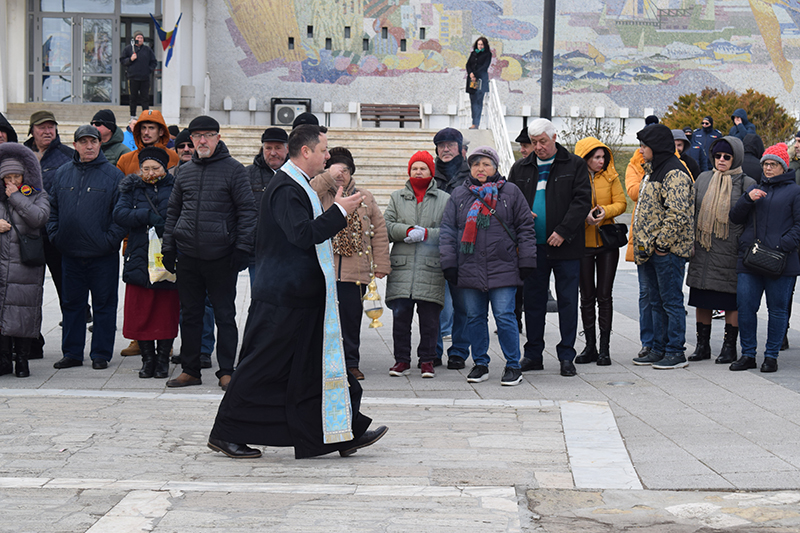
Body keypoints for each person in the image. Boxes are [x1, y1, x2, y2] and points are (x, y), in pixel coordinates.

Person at [208, 124, 388, 459]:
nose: (327, 155)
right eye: (323, 150)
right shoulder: (286, 188)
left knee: (318, 368)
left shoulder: (297, 184)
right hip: (281, 298)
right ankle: (225, 432)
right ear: (306, 151)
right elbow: (302, 235)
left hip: (300, 295)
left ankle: (344, 432)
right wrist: (340, 212)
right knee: (259, 366)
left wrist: (337, 210)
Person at [161, 116, 256, 390]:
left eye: (208, 135)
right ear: (190, 139)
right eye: (197, 135)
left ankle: (227, 370)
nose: (202, 140)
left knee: (225, 315)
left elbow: (247, 212)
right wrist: (169, 247)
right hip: (189, 255)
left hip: (222, 256)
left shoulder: (235, 170)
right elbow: (173, 212)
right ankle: (190, 369)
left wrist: (241, 248)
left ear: (218, 137)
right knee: (190, 315)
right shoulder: (185, 172)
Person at [440, 146, 536, 385]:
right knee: (474, 317)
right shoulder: (460, 195)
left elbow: (525, 227)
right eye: (475, 164)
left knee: (505, 316)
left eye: (485, 164)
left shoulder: (511, 192)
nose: (480, 169)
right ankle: (480, 363)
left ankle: (513, 365)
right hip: (470, 266)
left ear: (495, 167)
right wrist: (449, 263)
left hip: (503, 266)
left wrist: (526, 260)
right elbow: (448, 231)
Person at [509, 118, 592, 377]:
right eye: (533, 143)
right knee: (533, 302)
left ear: (554, 137)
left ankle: (567, 355)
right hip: (533, 246)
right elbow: (511, 201)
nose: (538, 147)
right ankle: (533, 354)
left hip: (566, 247)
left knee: (568, 301)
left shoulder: (574, 164)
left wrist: (563, 231)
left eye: (542, 141)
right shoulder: (520, 167)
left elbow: (581, 201)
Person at [47, 125, 126, 370]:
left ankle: (101, 354)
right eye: (83, 142)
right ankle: (72, 353)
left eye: (93, 141)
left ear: (100, 144)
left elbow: (120, 214)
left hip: (103, 255)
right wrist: (56, 236)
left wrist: (109, 241)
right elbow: (52, 210)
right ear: (76, 145)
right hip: (70, 253)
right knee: (72, 305)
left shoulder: (114, 175)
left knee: (104, 305)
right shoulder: (62, 173)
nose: (88, 146)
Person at [310, 147, 390, 380]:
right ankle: (321, 362)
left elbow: (379, 232)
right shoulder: (318, 193)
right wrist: (326, 177)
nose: (340, 174)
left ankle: (351, 363)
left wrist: (382, 264)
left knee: (351, 319)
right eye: (335, 169)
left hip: (356, 272)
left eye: (345, 170)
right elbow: (310, 190)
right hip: (323, 270)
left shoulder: (365, 197)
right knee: (321, 320)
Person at [729, 143, 800, 373]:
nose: (768, 168)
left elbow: (799, 226)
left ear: (783, 166)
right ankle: (748, 354)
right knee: (746, 307)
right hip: (750, 259)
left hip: (782, 261)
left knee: (778, 310)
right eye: (765, 164)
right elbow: (735, 218)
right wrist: (747, 199)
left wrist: (781, 246)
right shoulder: (755, 188)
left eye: (773, 164)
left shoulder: (795, 191)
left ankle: (771, 356)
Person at [686, 137, 756, 365]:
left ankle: (729, 348)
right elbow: (692, 210)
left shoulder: (746, 182)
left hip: (730, 251)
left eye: (727, 156)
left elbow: (751, 220)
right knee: (701, 296)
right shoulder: (704, 178)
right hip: (703, 249)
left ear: (736, 158)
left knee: (729, 300)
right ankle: (702, 345)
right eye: (718, 156)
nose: (722, 160)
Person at [630, 124, 694, 369]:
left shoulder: (674, 172)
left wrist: (662, 245)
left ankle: (675, 351)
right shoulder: (651, 170)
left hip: (667, 252)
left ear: (655, 147)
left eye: (644, 146)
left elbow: (677, 214)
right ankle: (658, 348)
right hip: (649, 251)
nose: (641, 150)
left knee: (671, 301)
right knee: (655, 302)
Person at [113, 147, 179, 379]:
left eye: (155, 168)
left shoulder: (175, 187)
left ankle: (162, 359)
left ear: (165, 168)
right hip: (140, 256)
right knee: (140, 311)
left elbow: (183, 214)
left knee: (166, 309)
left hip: (167, 256)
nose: (150, 173)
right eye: (146, 168)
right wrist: (145, 216)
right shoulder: (132, 187)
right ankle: (147, 359)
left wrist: (166, 225)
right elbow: (119, 214)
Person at [384, 151, 449, 378]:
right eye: (414, 168)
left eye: (423, 168)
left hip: (430, 267)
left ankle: (427, 361)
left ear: (431, 172)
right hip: (402, 267)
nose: (418, 172)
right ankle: (401, 360)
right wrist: (408, 231)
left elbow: (449, 231)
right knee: (400, 318)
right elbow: (387, 227)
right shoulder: (397, 197)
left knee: (429, 321)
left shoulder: (444, 198)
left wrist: (426, 234)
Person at [573, 137, 627, 366]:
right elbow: (569, 204)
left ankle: (604, 348)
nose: (601, 161)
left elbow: (622, 203)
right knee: (587, 296)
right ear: (585, 158)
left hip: (607, 243)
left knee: (604, 295)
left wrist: (605, 211)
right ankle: (590, 346)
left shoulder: (611, 176)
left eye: (603, 157)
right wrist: (584, 214)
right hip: (582, 244)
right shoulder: (575, 179)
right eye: (596, 157)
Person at [0, 142, 50, 377]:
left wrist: (16, 197)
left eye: (16, 176)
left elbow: (39, 218)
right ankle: (3, 361)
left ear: (24, 176)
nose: (11, 182)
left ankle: (22, 360)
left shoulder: (38, 195)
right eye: (7, 177)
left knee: (24, 312)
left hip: (25, 267)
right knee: (2, 312)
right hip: (2, 266)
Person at [23, 111, 74, 309]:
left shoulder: (68, 156)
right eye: (41, 127)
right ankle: (31, 337)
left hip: (56, 233)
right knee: (28, 289)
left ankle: (73, 323)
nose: (47, 131)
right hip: (27, 232)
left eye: (50, 127)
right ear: (32, 130)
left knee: (65, 285)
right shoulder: (22, 155)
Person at [432, 127, 471, 369]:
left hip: (464, 251)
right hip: (434, 248)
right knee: (433, 303)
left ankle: (458, 351)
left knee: (463, 305)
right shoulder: (429, 175)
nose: (446, 149)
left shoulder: (471, 176)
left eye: (450, 145)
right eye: (441, 145)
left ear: (460, 148)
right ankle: (433, 350)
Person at [246, 127, 289, 280]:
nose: (273, 153)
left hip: (290, 254)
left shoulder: (296, 174)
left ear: (287, 148)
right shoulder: (248, 174)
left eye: (278, 148)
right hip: (258, 254)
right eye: (268, 148)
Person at [116, 109, 179, 176]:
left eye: (151, 128)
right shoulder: (125, 160)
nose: (146, 132)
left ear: (161, 131)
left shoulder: (175, 157)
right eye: (143, 128)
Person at [121, 31, 157, 119]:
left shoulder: (147, 50)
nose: (140, 40)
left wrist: (149, 70)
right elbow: (122, 61)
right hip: (133, 77)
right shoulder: (129, 49)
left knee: (145, 98)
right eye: (138, 38)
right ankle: (133, 115)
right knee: (133, 97)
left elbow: (153, 62)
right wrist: (130, 59)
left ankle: (146, 115)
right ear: (134, 39)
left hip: (144, 78)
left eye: (141, 38)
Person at [465, 37, 491, 129]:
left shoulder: (487, 54)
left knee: (478, 102)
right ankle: (473, 122)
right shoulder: (473, 53)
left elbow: (484, 67)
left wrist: (475, 74)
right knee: (473, 102)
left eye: (482, 45)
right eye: (479, 44)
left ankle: (476, 123)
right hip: (472, 81)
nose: (480, 46)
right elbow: (468, 65)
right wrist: (471, 74)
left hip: (481, 81)